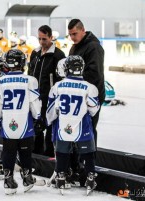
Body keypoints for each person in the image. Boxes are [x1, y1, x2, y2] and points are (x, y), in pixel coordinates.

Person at [46, 55, 100, 195]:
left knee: (62, 152)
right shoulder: (90, 87)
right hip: (82, 126)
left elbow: (51, 110)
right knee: (88, 153)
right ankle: (90, 177)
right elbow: (94, 109)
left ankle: (61, 177)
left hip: (63, 125)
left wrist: (49, 121)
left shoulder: (57, 86)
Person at [0, 49, 42, 195]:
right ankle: (27, 177)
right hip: (25, 122)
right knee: (25, 152)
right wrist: (37, 117)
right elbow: (34, 103)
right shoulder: (30, 80)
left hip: (8, 123)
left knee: (8, 152)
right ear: (22, 62)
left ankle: (8, 180)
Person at [28, 25, 65, 157]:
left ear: (51, 37)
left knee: (49, 126)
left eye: (44, 39)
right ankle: (36, 153)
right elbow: (30, 73)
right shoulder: (35, 53)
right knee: (35, 126)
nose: (42, 42)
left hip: (49, 97)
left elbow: (61, 78)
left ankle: (49, 153)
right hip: (34, 97)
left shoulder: (58, 55)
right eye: (39, 38)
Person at [68, 19, 105, 145]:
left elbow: (95, 74)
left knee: (88, 129)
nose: (72, 37)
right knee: (76, 128)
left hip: (91, 96)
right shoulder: (75, 47)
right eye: (70, 34)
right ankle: (77, 159)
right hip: (78, 95)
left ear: (83, 30)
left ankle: (88, 159)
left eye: (75, 34)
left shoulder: (93, 47)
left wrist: (75, 81)